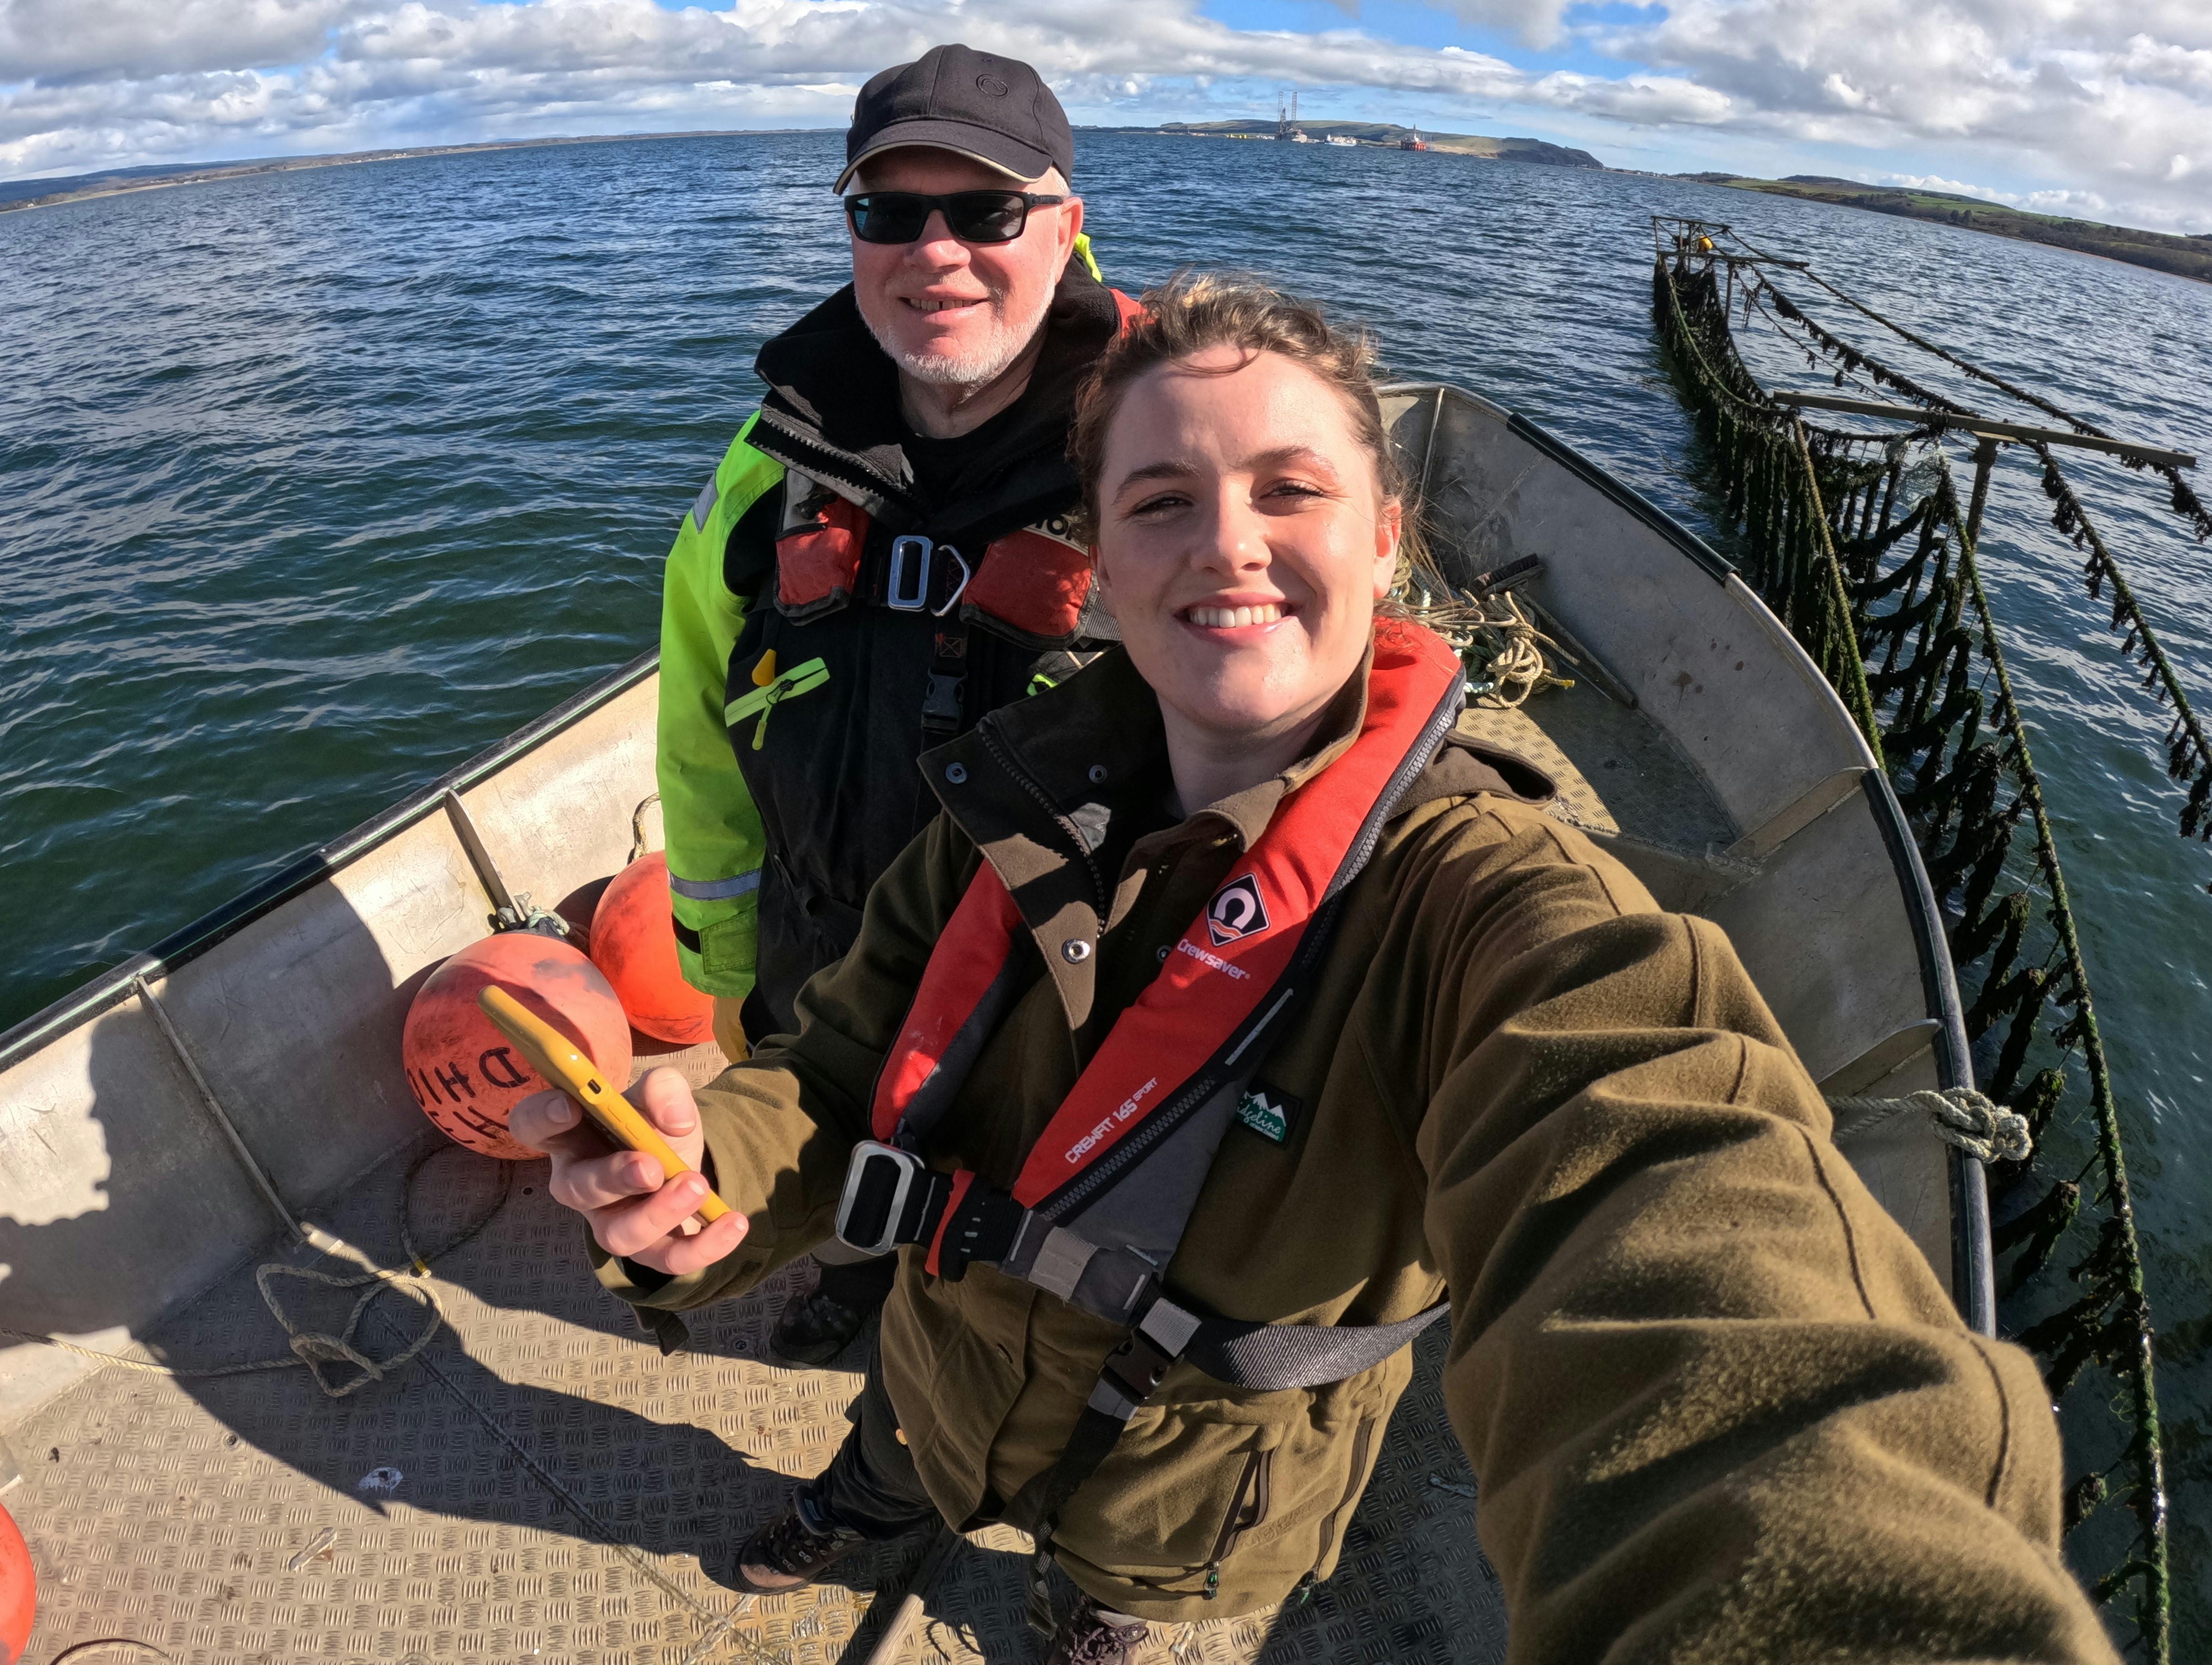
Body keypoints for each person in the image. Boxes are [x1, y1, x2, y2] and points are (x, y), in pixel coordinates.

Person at [520, 277, 2114, 1663]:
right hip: (943, 1365)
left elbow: (1679, 1205)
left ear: (1385, 534)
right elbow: (843, 1067)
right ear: (1095, 549)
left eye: (1289, 490)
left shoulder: (1488, 903)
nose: (1227, 545)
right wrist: (709, 1166)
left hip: (1187, 1485)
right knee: (890, 1450)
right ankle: (866, 1502)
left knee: (1112, 1599)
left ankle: (1098, 1626)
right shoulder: (999, 802)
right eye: (1158, 499)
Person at [655, 43, 1138, 1363]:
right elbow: (701, 731)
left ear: (1066, 229)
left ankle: (911, 1432)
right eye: (887, 212)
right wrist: (730, 979)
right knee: (850, 1195)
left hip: (1056, 1005)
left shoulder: (1162, 453)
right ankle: (858, 1277)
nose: (935, 253)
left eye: (985, 212)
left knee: (1008, 1293)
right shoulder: (769, 469)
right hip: (823, 963)